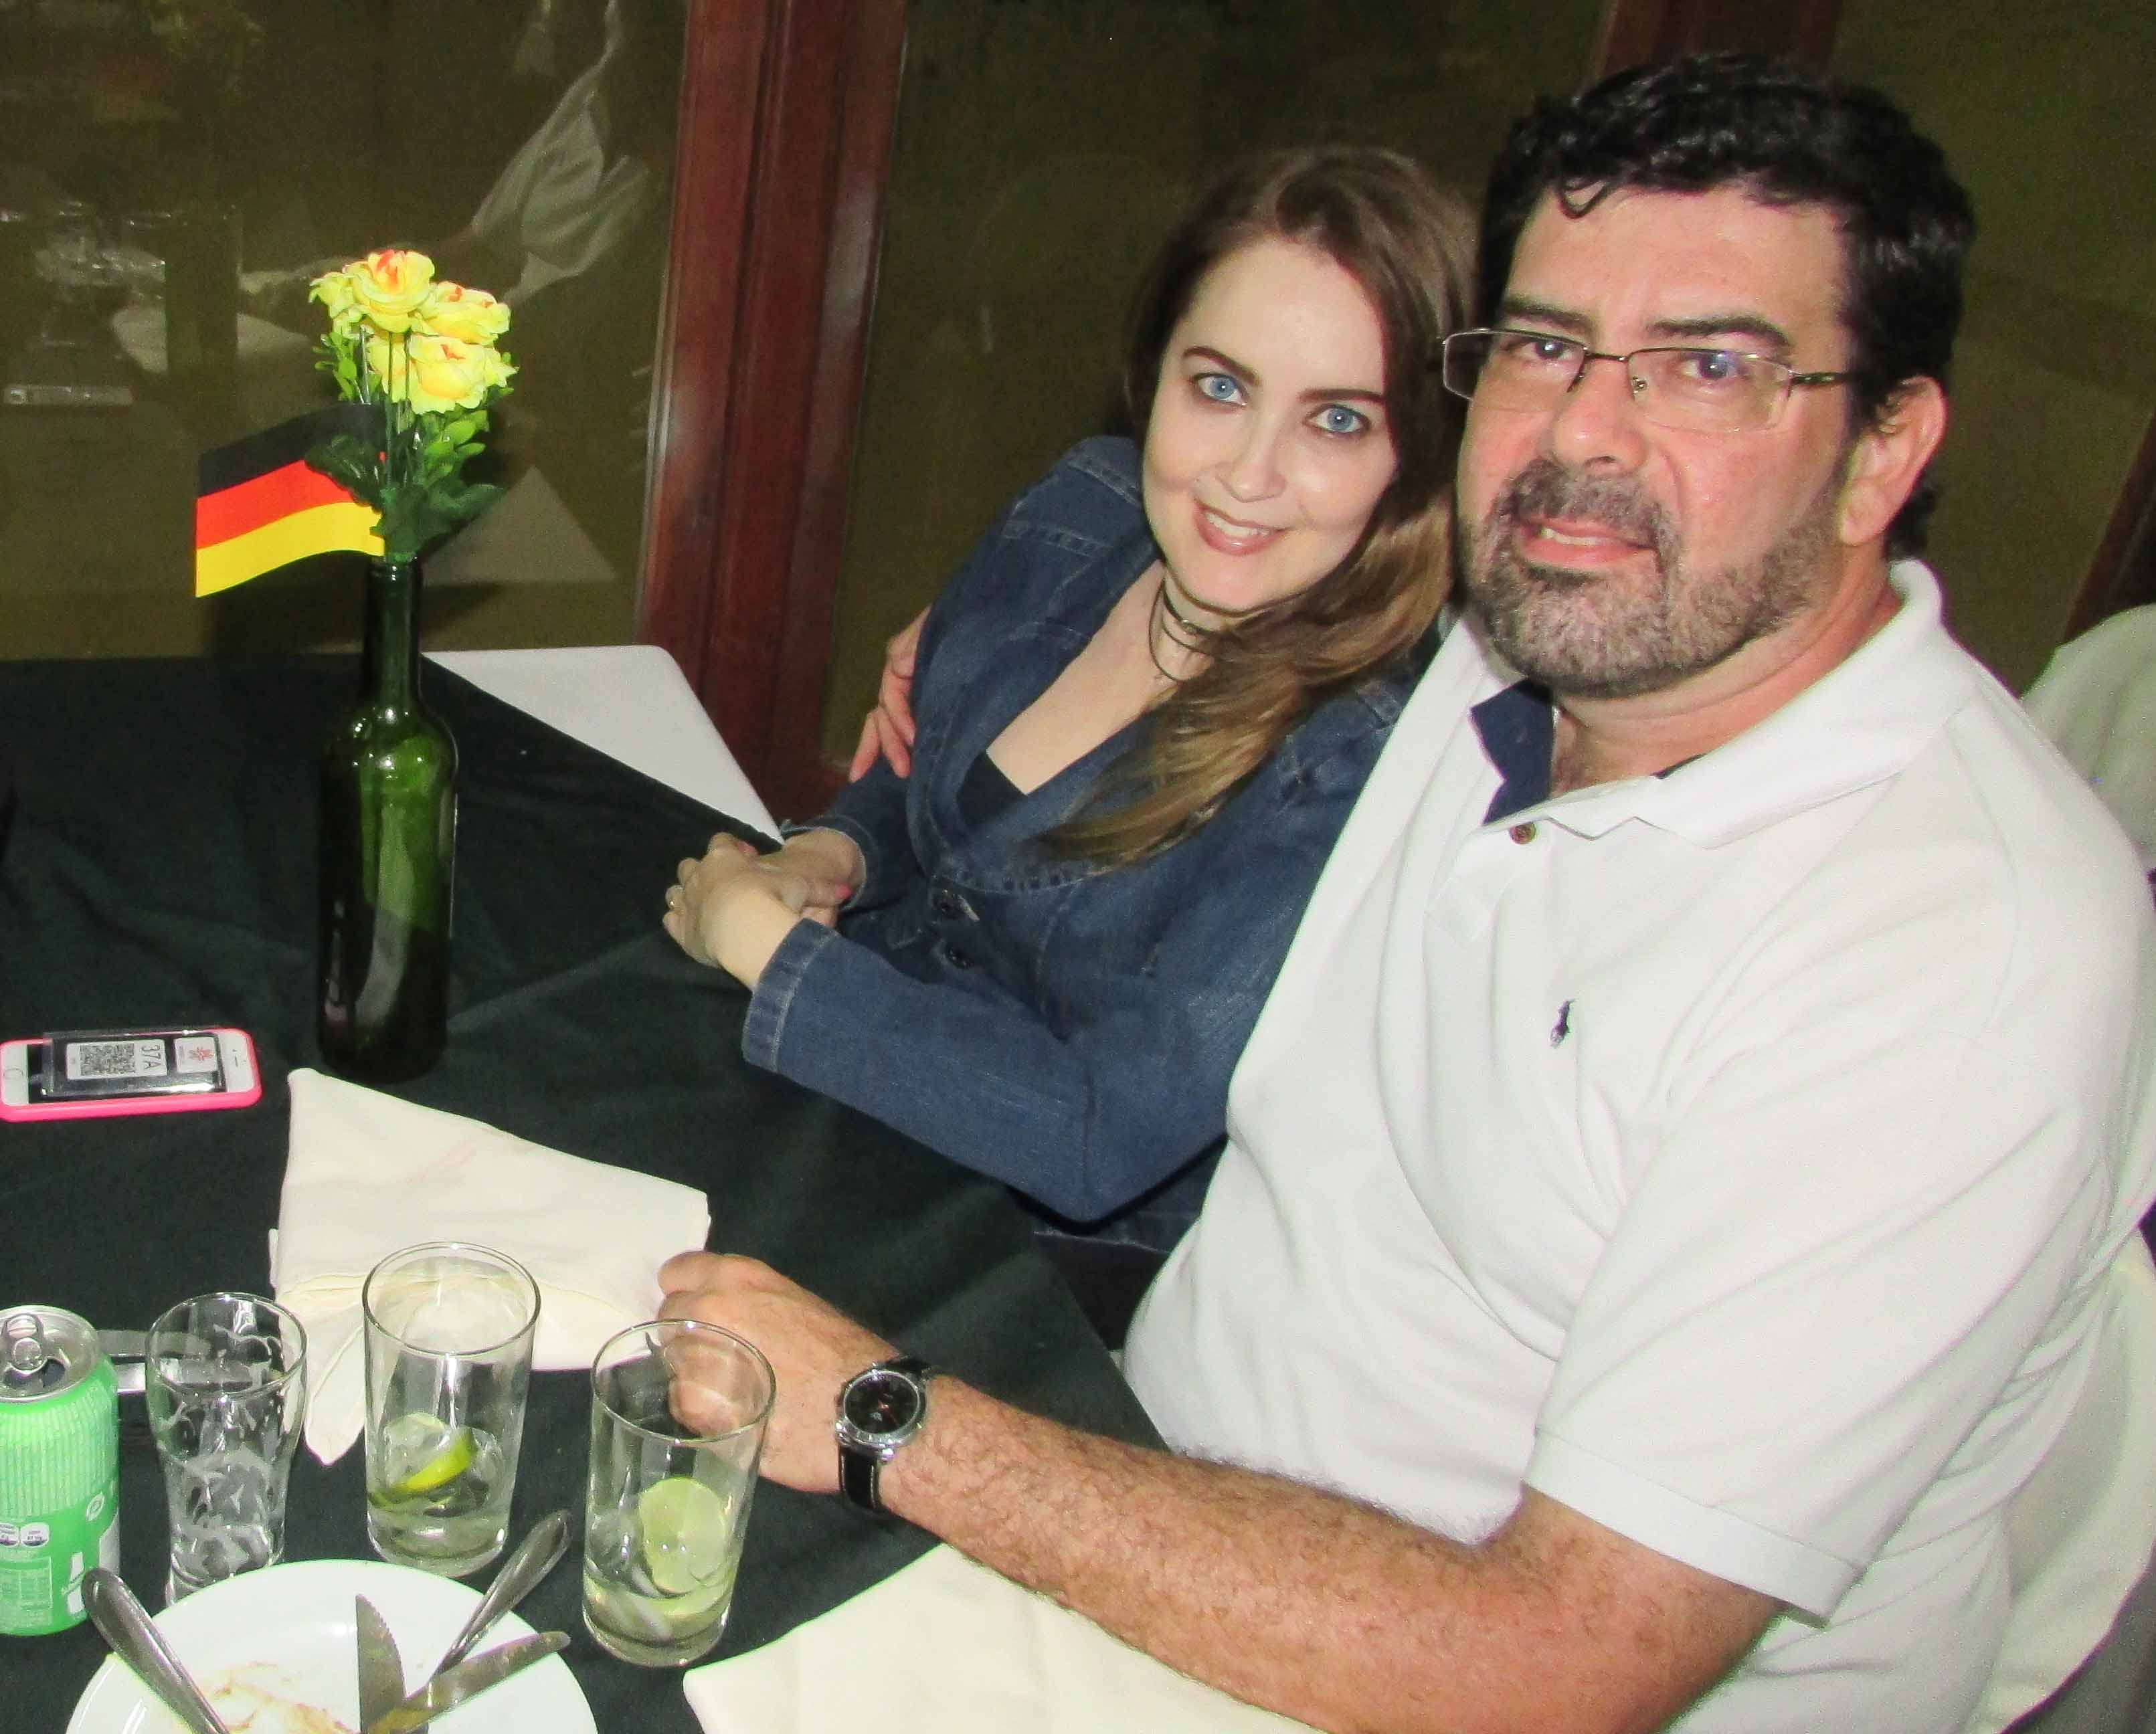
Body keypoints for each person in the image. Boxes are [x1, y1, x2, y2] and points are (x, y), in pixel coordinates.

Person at [660, 54, 2156, 1733]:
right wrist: (971, 659)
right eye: (1545, 345)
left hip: (1401, 1668)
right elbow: (1245, 497)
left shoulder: (1951, 956)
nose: (1583, 437)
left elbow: (1556, 1663)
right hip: (1145, 1465)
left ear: (1885, 455)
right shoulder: (1509, 648)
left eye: (1710, 366)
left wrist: (887, 1420)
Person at [663, 147, 1472, 1252]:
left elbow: (1093, 1134)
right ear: (1155, 370)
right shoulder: (1082, 512)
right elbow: (923, 780)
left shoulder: (1359, 767)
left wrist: (763, 943)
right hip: (847, 1098)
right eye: (1220, 388)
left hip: (1032, 1260)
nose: (1247, 474)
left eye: (1337, 420)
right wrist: (826, 859)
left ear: (1417, 454)